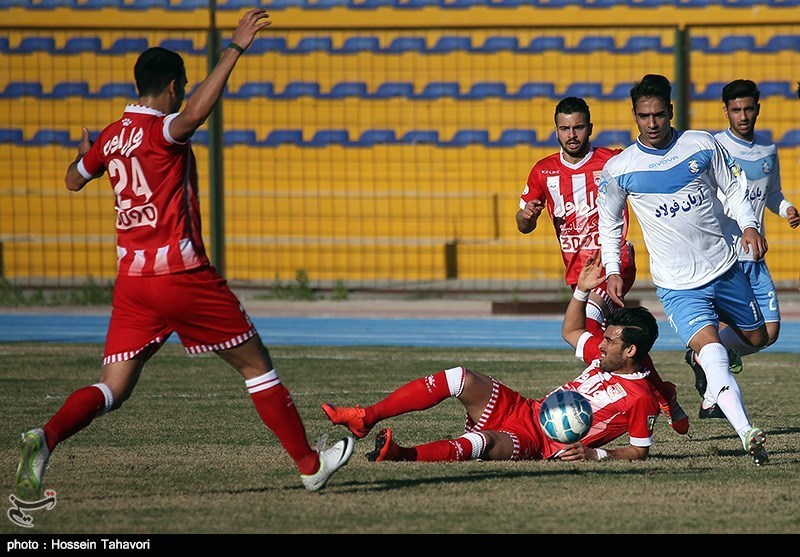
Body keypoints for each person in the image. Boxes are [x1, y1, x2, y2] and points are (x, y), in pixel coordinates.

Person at [15, 9, 353, 499]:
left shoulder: (111, 137)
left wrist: (86, 151)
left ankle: (45, 438)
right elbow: (195, 115)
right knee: (256, 366)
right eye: (183, 86)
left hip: (133, 283)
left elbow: (72, 180)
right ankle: (309, 464)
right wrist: (234, 48)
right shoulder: (162, 131)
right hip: (181, 273)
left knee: (114, 386)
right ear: (173, 87)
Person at [321, 257, 661, 463]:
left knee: (482, 443)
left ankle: (402, 455)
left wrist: (596, 454)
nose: (600, 345)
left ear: (630, 351)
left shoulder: (640, 398)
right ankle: (366, 417)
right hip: (524, 409)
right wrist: (581, 291)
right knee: (460, 377)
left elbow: (639, 451)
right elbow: (571, 331)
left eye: (610, 341)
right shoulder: (603, 359)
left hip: (540, 442)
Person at [597, 73, 770, 465]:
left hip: (725, 267)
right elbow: (609, 223)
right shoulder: (621, 167)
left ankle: (705, 358)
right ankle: (747, 432)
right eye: (644, 116)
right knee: (714, 354)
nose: (652, 123)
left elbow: (734, 187)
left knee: (759, 337)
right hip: (678, 285)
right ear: (634, 116)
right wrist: (612, 269)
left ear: (670, 111)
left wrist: (748, 225)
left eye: (659, 115)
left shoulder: (701, 144)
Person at [516, 96, 688, 434]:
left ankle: (611, 400)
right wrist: (525, 217)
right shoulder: (543, 171)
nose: (572, 134)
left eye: (578, 127)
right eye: (565, 128)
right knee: (615, 341)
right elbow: (524, 222)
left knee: (589, 329)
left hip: (613, 263)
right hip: (577, 274)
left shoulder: (613, 161)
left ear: (589, 128)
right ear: (556, 131)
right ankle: (659, 390)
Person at [699, 79, 800, 419]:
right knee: (734, 327)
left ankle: (706, 355)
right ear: (725, 111)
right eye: (735, 110)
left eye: (748, 108)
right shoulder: (714, 148)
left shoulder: (768, 151)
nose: (743, 116)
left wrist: (786, 208)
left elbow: (772, 194)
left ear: (758, 108)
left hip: (756, 256)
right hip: (725, 258)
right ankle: (712, 397)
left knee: (768, 333)